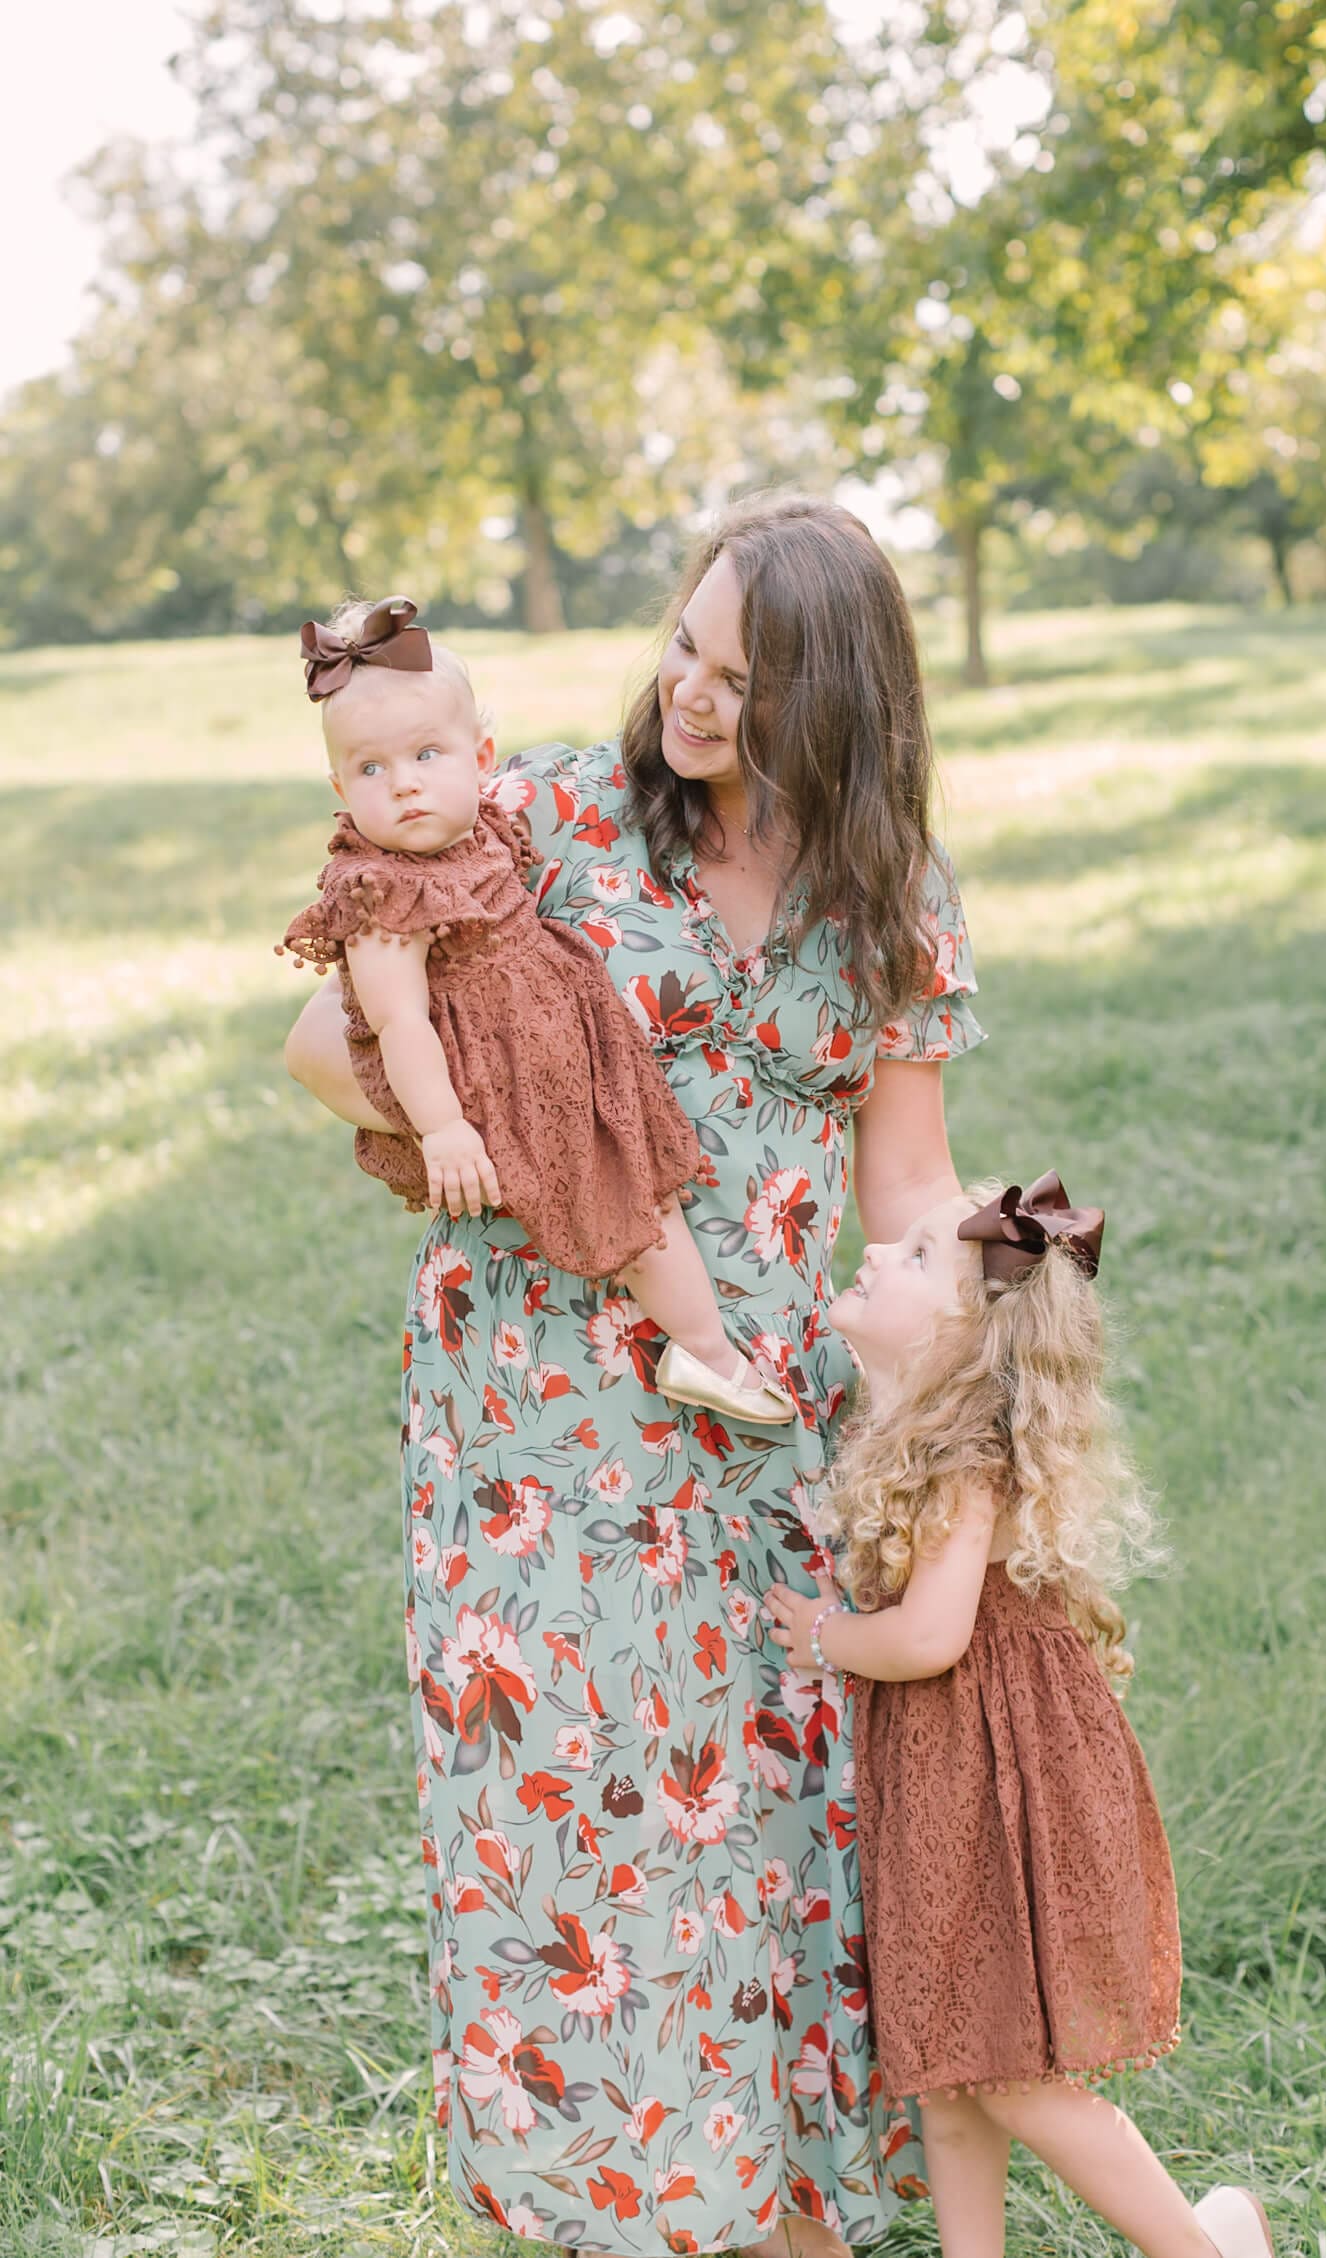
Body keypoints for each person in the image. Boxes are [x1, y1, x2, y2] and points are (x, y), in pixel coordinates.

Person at [282, 494, 986, 2257]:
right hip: (537, 1414)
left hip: (765, 1412)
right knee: (587, 1834)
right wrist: (519, 1131)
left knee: (768, 1821)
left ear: (837, 701)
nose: (691, 692)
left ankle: (775, 2203)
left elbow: (906, 1178)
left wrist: (985, 1353)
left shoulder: (889, 889)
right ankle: (679, 2214)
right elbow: (319, 1034)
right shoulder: (541, 823)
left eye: (743, 677)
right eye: (686, 641)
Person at [765, 1175, 1278, 2258]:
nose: (872, 1253)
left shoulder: (964, 1454)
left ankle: (1204, 2249)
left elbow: (928, 1639)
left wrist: (821, 1634)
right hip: (955, 1776)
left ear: (963, 1335)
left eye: (908, 1258)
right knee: (951, 2077)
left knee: (1011, 2077)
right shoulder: (919, 1420)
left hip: (1002, 1780)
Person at [279, 593, 790, 1425]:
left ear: (481, 757)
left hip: (559, 1037)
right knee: (624, 1199)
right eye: (371, 770)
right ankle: (709, 1351)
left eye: (426, 756)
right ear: (339, 787)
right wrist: (445, 1126)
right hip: (493, 1073)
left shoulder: (484, 827)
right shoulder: (379, 890)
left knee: (641, 1174)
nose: (404, 785)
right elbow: (397, 1022)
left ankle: (705, 1348)